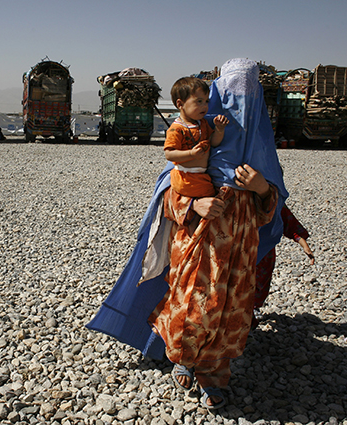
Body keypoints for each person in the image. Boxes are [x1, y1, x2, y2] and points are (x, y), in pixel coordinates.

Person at [87, 58, 288, 410]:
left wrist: (260, 189)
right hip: (199, 237)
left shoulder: (261, 145)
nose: (242, 102)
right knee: (195, 301)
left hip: (240, 246)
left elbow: (271, 210)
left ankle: (214, 371)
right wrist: (193, 206)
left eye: (249, 95)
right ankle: (183, 355)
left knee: (232, 310)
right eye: (234, 92)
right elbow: (168, 188)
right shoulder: (201, 133)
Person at [164, 77, 229, 198]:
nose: (204, 106)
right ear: (180, 104)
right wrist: (191, 154)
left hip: (200, 176)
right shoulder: (177, 129)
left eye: (206, 101)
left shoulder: (202, 124)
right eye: (199, 101)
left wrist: (219, 129)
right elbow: (169, 154)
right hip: (186, 177)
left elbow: (213, 143)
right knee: (215, 201)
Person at [252, 204, 314, 328]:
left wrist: (303, 244)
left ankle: (250, 313)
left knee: (258, 284)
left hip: (263, 252)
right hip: (234, 250)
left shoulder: (270, 197)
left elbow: (286, 219)